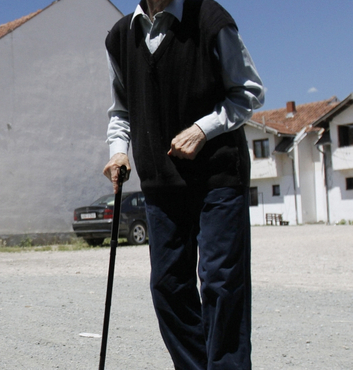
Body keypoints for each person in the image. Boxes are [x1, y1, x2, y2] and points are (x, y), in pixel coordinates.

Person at [102, 0, 264, 369]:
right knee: (167, 287)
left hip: (219, 176)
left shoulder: (209, 19)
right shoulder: (120, 36)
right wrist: (118, 151)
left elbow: (248, 92)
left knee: (221, 283)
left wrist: (202, 130)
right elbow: (122, 110)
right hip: (161, 181)